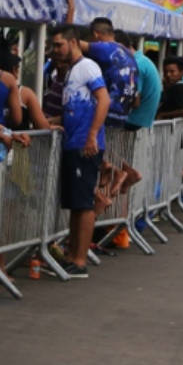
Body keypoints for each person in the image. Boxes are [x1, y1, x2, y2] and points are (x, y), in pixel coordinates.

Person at [49, 24, 110, 278]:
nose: (55, 50)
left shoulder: (87, 66)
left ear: (73, 42)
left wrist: (92, 135)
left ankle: (80, 260)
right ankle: (73, 256)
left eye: (58, 45)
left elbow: (104, 99)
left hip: (85, 145)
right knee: (76, 204)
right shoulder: (72, 70)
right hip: (74, 143)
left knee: (83, 204)